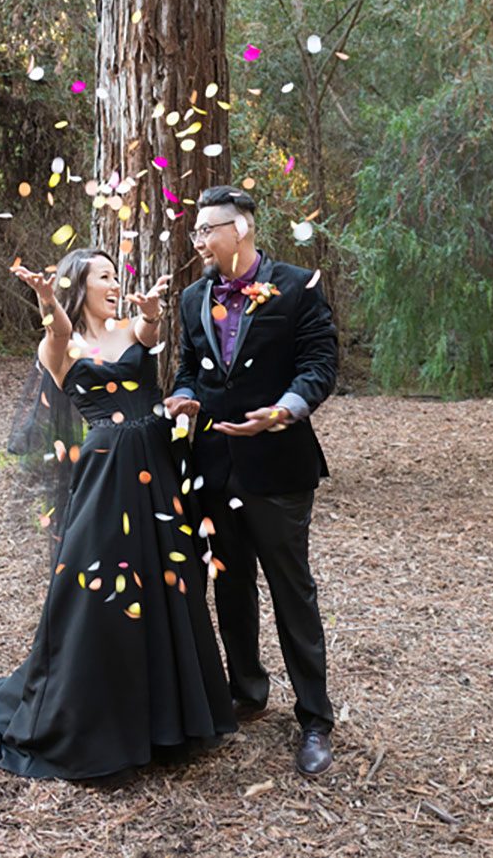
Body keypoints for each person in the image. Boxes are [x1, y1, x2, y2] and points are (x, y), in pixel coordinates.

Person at [0, 248, 236, 782]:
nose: (114, 283)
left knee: (168, 578)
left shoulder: (134, 329)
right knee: (99, 581)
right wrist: (46, 300)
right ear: (78, 286)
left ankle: (170, 717)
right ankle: (95, 714)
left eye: (116, 275)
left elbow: (152, 337)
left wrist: (153, 310)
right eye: (103, 276)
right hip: (106, 473)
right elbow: (60, 336)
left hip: (158, 465)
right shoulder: (58, 345)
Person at [164, 186, 337, 777]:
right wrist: (185, 395)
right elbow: (189, 365)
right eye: (195, 232)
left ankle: (315, 717)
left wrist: (285, 409)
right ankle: (248, 691)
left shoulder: (299, 286)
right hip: (213, 466)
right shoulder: (192, 298)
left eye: (207, 229)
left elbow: (320, 364)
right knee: (230, 584)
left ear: (240, 229)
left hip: (279, 466)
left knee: (292, 590)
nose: (200, 241)